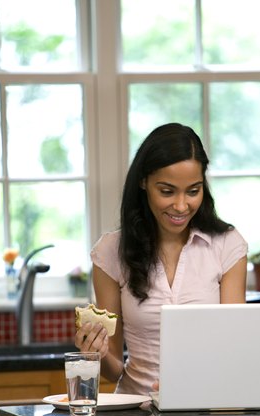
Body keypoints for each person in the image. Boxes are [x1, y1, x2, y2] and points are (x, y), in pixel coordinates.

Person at [75, 123, 248, 395]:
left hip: (206, 409)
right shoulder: (110, 252)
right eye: (167, 191)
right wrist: (94, 352)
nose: (181, 206)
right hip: (137, 414)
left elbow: (234, 349)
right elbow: (113, 370)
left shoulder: (227, 245)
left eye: (193, 191)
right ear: (143, 182)